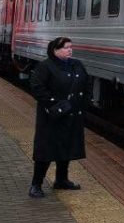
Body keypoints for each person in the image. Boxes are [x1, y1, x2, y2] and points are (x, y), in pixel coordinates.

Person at [28, 36, 91, 198]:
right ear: (55, 50)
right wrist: (55, 105)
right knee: (46, 151)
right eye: (65, 48)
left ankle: (61, 180)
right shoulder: (45, 66)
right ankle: (36, 184)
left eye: (71, 47)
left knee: (66, 148)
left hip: (72, 116)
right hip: (52, 117)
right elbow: (37, 88)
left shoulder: (76, 64)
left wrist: (82, 104)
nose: (70, 50)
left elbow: (86, 84)